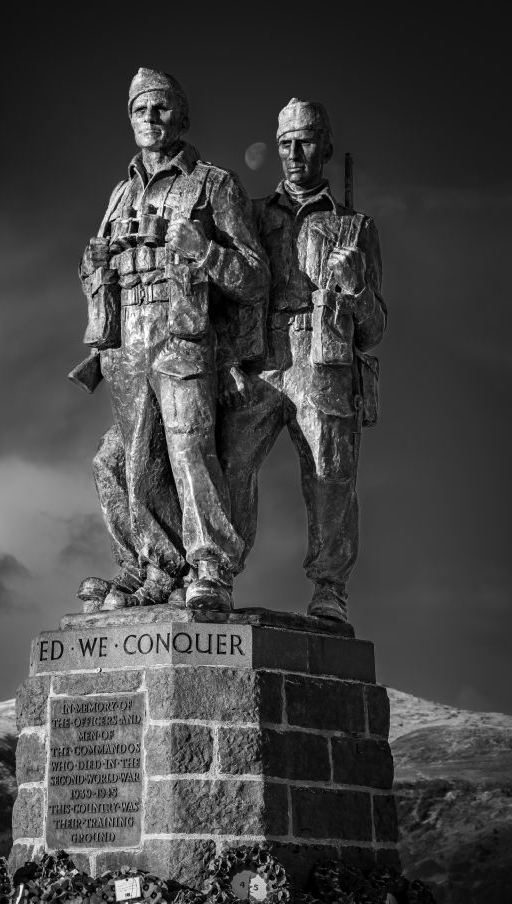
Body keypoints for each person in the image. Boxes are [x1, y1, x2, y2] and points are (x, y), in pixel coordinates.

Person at [77, 68, 268, 612]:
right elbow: (102, 271)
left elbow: (255, 278)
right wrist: (91, 266)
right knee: (124, 463)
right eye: (140, 110)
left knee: (189, 450)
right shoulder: (120, 193)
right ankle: (153, 568)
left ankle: (210, 569)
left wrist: (203, 250)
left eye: (160, 108)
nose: (150, 119)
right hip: (125, 345)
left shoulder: (214, 184)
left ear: (181, 116)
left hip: (182, 336)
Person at [218, 98, 387, 623]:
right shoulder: (250, 214)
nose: (294, 152)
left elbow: (375, 329)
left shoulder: (356, 226)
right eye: (286, 142)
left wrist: (356, 283)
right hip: (260, 356)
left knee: (331, 475)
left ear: (327, 148)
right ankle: (215, 571)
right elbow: (226, 297)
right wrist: (227, 361)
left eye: (306, 141)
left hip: (324, 359)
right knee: (230, 462)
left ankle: (330, 589)